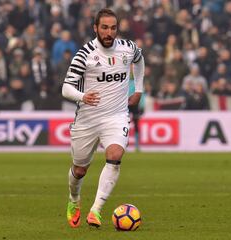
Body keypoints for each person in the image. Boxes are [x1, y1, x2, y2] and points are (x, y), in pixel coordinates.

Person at [61, 8, 144, 228]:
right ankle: (74, 200)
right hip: (87, 120)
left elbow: (140, 59)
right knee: (79, 170)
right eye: (104, 28)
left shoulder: (128, 48)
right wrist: (83, 96)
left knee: (115, 155)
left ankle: (96, 210)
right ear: (95, 28)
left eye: (113, 28)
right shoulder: (85, 53)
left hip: (116, 116)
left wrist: (139, 89)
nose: (109, 32)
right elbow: (66, 88)